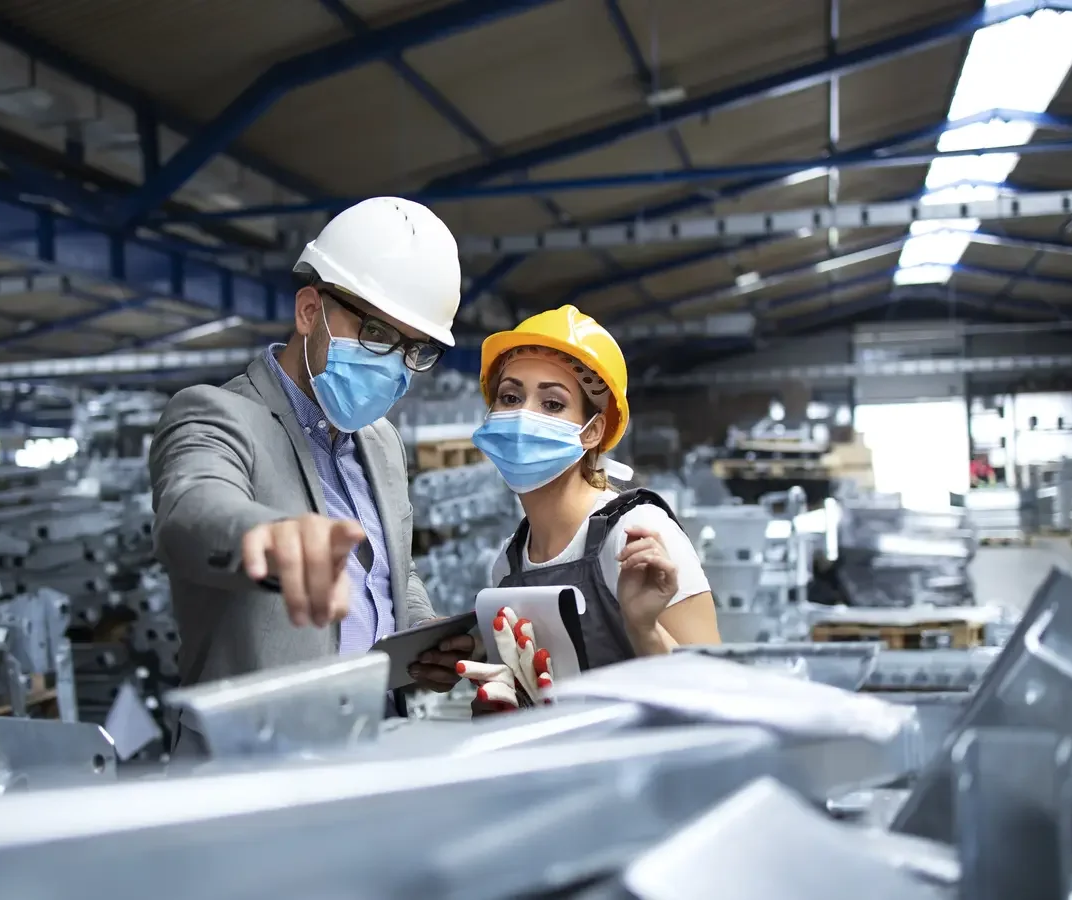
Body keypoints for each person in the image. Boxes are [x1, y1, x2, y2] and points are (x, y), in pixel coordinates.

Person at [149, 197, 474, 755]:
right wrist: (264, 536)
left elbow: (396, 573)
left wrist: (423, 638)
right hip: (250, 763)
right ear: (309, 312)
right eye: (375, 333)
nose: (394, 365)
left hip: (373, 740)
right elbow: (191, 511)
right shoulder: (217, 413)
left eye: (413, 350)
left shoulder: (381, 442)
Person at [461, 306, 721, 711]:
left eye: (552, 404)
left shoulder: (637, 535)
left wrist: (643, 628)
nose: (523, 416)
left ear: (593, 431)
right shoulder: (508, 567)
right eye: (510, 397)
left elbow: (719, 698)